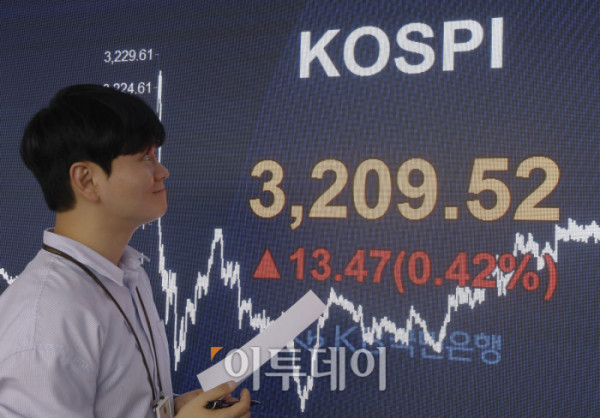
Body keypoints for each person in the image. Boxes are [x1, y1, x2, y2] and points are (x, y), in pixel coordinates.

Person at [0, 85, 250, 417]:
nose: (162, 172)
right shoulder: (44, 320)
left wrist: (175, 409)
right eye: (145, 157)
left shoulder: (128, 274)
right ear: (86, 180)